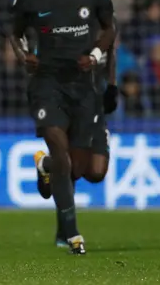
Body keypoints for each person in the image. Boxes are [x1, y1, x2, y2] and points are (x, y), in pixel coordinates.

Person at [8, 0, 116, 255]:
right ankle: (71, 234)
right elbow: (13, 33)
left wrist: (98, 60)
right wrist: (22, 54)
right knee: (59, 146)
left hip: (84, 86)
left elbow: (110, 30)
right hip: (47, 82)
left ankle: (47, 168)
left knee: (89, 171)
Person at [34, 35, 118, 248]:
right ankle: (65, 232)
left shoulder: (105, 21)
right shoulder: (67, 22)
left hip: (95, 104)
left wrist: (112, 86)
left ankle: (46, 164)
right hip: (70, 102)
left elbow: (111, 56)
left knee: (96, 172)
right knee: (69, 169)